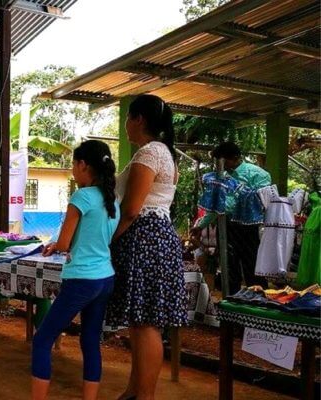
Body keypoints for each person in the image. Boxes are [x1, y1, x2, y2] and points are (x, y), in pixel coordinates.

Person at [106, 94, 188, 400]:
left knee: (146, 322)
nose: (126, 124)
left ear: (139, 119)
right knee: (141, 321)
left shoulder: (149, 154)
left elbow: (131, 209)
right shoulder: (162, 152)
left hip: (145, 238)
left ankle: (145, 395)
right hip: (155, 237)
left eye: (128, 117)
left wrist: (109, 240)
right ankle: (134, 391)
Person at [32, 140, 120, 400]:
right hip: (105, 277)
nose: (72, 168)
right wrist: (57, 245)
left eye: (73, 163)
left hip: (81, 279)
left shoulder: (81, 196)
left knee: (42, 340)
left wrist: (56, 245)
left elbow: (65, 242)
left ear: (83, 165)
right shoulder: (111, 198)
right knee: (90, 340)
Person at [191, 141, 271, 293]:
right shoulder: (222, 176)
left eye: (222, 161)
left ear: (234, 158)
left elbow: (263, 203)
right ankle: (231, 301)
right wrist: (201, 225)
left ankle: (259, 301)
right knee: (229, 265)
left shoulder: (258, 174)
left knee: (252, 264)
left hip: (249, 227)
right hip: (228, 226)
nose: (219, 166)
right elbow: (218, 207)